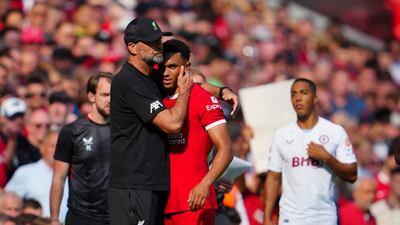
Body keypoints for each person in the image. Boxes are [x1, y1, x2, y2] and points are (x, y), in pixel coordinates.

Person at [109, 17, 238, 225]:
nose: (157, 46)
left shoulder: (154, 82)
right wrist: (189, 91)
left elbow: (226, 148)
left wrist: (221, 91)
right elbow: (172, 123)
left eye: (158, 40)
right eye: (151, 42)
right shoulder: (133, 81)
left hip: (182, 198)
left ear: (185, 68)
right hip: (136, 187)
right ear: (132, 47)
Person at [263, 78, 358, 225]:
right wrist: (267, 215)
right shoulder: (282, 135)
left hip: (324, 217)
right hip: (291, 217)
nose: (298, 98)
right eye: (293, 94)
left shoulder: (334, 132)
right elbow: (273, 177)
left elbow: (352, 175)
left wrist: (328, 158)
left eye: (303, 93)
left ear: (315, 98)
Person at [160, 39, 233, 225]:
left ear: (186, 67)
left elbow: (226, 148)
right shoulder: (155, 97)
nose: (165, 72)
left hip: (193, 201)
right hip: (160, 202)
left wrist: (204, 184)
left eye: (172, 66)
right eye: (162, 66)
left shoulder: (203, 99)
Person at [50, 72, 112, 225]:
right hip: (81, 217)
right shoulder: (72, 131)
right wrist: (54, 219)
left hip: (115, 216)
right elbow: (58, 178)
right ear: (91, 96)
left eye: (113, 95)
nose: (110, 100)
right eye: (105, 95)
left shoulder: (124, 131)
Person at [5, 130, 68, 221]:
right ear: (42, 148)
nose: (58, 150)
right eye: (53, 146)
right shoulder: (26, 172)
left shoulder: (75, 174)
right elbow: (7, 202)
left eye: (62, 146)